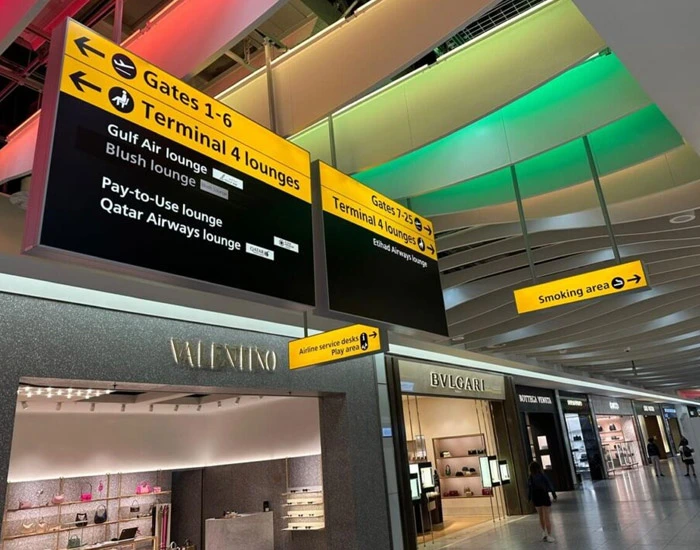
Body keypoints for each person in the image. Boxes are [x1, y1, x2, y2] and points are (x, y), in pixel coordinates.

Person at [528, 461, 557, 543]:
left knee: (540, 516)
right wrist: (554, 494)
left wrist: (529, 498)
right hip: (544, 496)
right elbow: (549, 484)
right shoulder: (542, 475)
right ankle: (549, 535)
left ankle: (544, 532)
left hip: (536, 497)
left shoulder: (530, 477)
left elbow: (529, 488)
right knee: (546, 516)